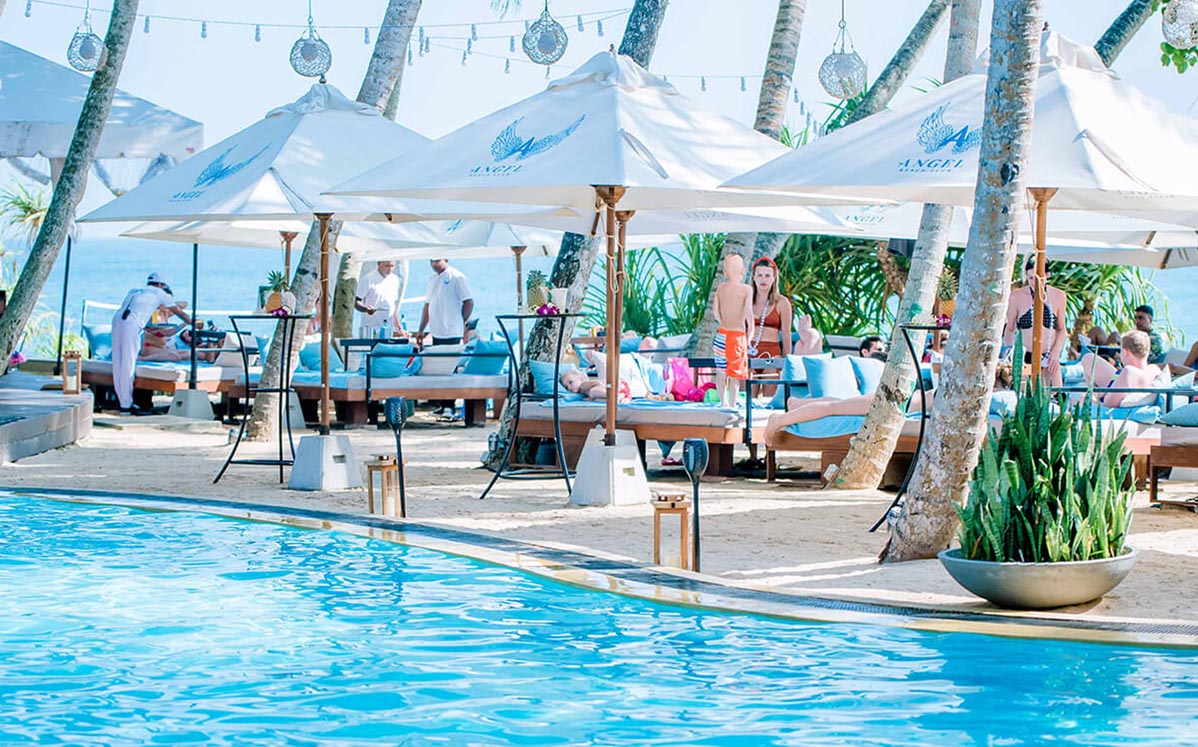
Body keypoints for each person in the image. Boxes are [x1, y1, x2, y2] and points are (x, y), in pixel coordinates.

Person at [110, 272, 192, 415]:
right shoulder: (159, 293)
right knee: (128, 364)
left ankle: (124, 402)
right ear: (161, 285)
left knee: (118, 363)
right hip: (131, 325)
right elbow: (180, 312)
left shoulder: (135, 291)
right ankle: (126, 405)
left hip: (117, 321)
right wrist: (191, 322)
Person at [415, 259, 474, 417]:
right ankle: (442, 404)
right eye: (432, 261)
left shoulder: (457, 277)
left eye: (437, 261)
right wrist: (421, 329)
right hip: (436, 331)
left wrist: (461, 321)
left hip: (452, 331)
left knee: (450, 368)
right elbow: (428, 305)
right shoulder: (432, 280)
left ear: (446, 260)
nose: (434, 264)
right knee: (439, 368)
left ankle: (450, 406)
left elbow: (469, 301)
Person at [1003, 256, 1068, 386]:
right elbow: (1009, 328)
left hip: (1049, 357)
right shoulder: (1017, 296)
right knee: (1023, 394)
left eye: (1038, 278)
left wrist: (1056, 353)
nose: (1034, 282)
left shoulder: (1058, 296)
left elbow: (1061, 330)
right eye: (1031, 278)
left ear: (1047, 275)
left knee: (1057, 394)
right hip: (1024, 357)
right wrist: (1009, 353)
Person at [1078, 330, 1164, 408]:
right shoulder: (1154, 369)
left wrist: (1089, 400)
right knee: (1088, 358)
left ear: (1126, 352)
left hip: (1111, 403)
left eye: (1121, 351)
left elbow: (1107, 406)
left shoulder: (1129, 372)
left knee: (1082, 398)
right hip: (1117, 382)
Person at [713, 254, 753, 408]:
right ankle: (732, 404)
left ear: (725, 272)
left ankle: (723, 402)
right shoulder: (746, 289)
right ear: (743, 270)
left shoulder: (721, 288)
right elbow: (748, 313)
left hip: (721, 335)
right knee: (735, 375)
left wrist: (723, 321)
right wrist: (750, 335)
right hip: (737, 337)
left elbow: (715, 312)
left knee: (721, 371)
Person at [747, 257, 792, 361]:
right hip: (747, 351)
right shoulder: (746, 301)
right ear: (753, 277)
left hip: (772, 352)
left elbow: (786, 333)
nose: (763, 279)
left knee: (770, 370)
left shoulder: (782, 303)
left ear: (774, 278)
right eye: (760, 275)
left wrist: (787, 361)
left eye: (767, 276)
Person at [354, 260, 402, 338]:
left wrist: (398, 327)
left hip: (387, 329)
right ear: (379, 263)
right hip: (370, 329)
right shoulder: (368, 279)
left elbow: (393, 305)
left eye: (392, 266)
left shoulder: (395, 279)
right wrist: (366, 309)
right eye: (387, 266)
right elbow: (355, 301)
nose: (389, 269)